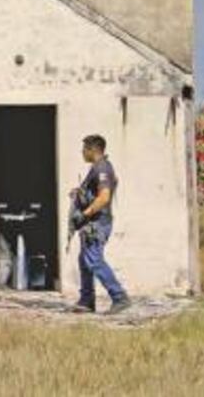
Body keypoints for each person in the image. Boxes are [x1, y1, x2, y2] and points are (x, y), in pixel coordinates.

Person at [70, 134, 131, 314]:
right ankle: (86, 300)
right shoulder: (97, 168)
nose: (82, 152)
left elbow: (104, 197)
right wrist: (79, 194)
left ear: (93, 149)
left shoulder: (102, 168)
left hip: (97, 223)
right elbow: (97, 192)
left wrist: (85, 214)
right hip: (93, 222)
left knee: (94, 260)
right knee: (85, 260)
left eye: (84, 149)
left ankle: (119, 297)